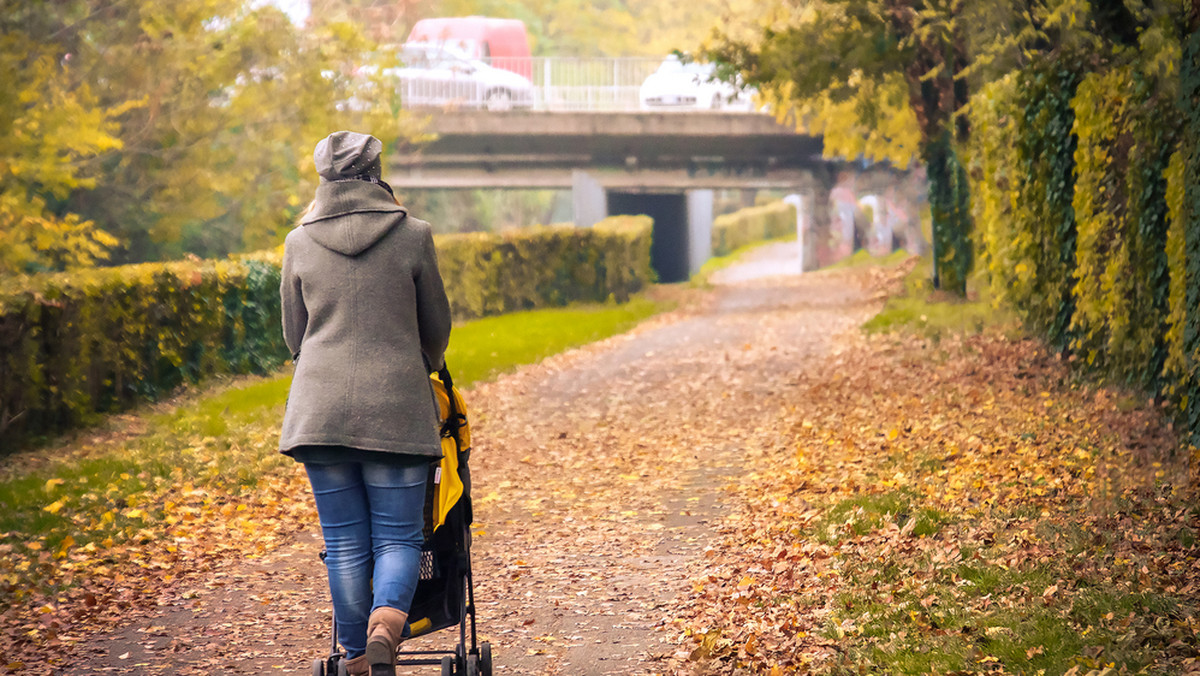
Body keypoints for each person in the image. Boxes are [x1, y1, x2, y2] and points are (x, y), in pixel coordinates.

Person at [278, 131, 452, 676]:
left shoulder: (298, 243)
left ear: (322, 177)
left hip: (319, 411)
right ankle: (386, 625)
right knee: (400, 536)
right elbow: (436, 330)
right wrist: (412, 357)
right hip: (396, 407)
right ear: (377, 172)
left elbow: (293, 337)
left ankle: (357, 657)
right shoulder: (413, 235)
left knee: (345, 543)